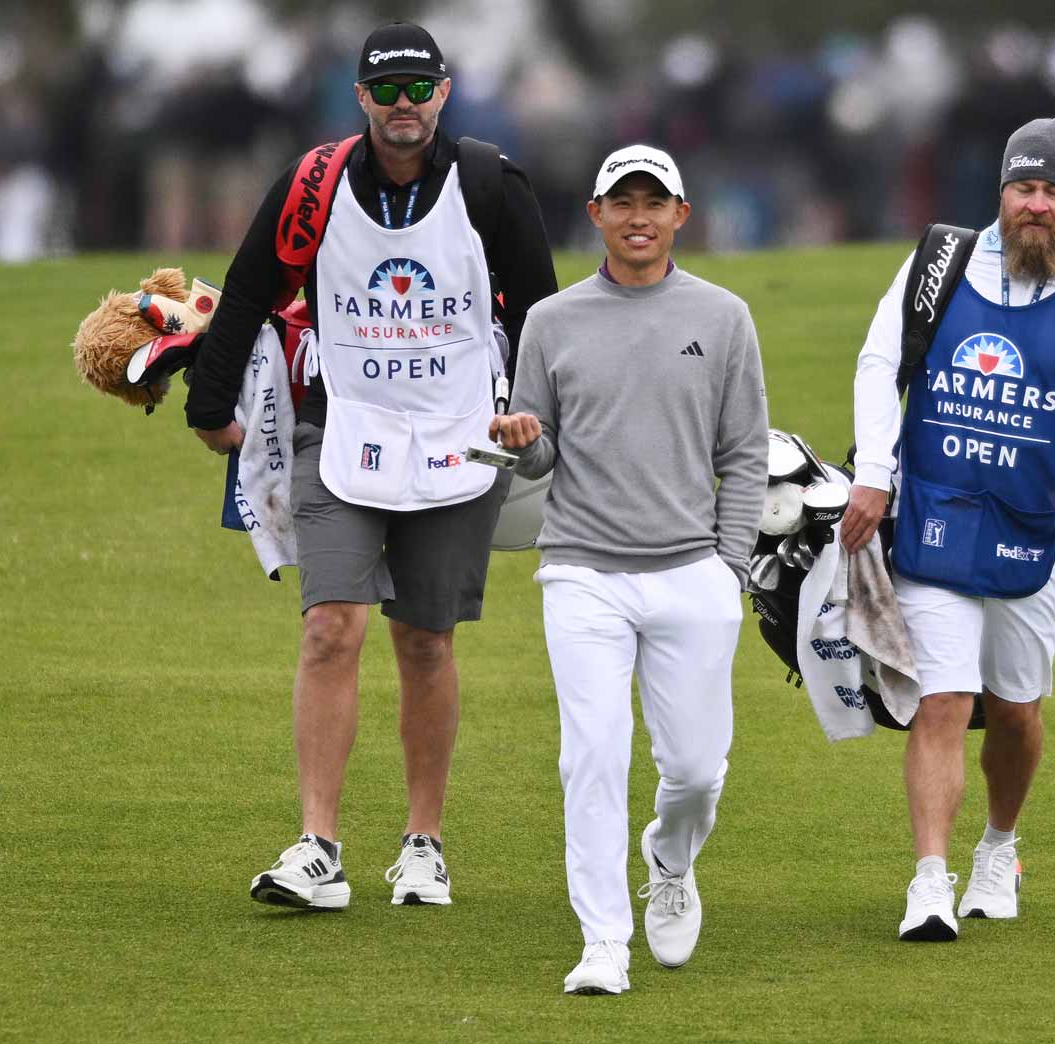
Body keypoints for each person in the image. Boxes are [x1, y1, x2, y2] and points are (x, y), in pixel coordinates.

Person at [182, 21, 558, 910]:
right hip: (338, 426)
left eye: (417, 88)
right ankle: (318, 846)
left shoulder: (490, 184)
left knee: (425, 640)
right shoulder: (312, 184)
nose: (402, 106)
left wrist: (540, 419)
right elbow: (248, 291)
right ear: (359, 97)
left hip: (458, 435)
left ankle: (423, 843)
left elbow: (543, 311)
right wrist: (209, 405)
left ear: (443, 92)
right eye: (385, 90)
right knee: (331, 627)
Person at [838, 117, 1055, 943]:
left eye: (1054, 192)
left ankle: (999, 846)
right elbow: (881, 364)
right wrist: (876, 472)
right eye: (1024, 188)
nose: (1036, 205)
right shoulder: (938, 268)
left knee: (1016, 710)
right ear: (1001, 192)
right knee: (943, 702)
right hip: (934, 514)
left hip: (1033, 530)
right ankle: (928, 882)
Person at [490, 145, 768, 994]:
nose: (639, 216)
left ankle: (670, 857)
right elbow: (536, 464)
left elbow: (744, 453)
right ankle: (603, 940)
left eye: (656, 202)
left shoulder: (723, 317)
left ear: (681, 215)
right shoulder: (553, 321)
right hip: (581, 570)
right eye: (623, 202)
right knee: (593, 756)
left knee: (694, 770)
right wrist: (523, 448)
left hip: (693, 571)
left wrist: (727, 566)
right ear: (597, 216)